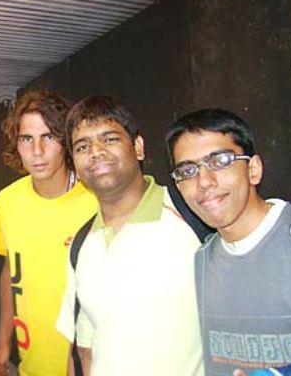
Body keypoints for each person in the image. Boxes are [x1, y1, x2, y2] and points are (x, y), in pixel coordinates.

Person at [165, 108, 291, 375]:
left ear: (253, 169)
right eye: (188, 170)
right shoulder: (201, 260)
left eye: (220, 161)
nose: (204, 182)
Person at [56, 95, 203, 376]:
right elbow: (83, 350)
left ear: (138, 147)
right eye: (82, 146)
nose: (96, 152)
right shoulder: (81, 244)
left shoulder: (192, 214)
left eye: (109, 139)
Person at [0, 91, 97, 376]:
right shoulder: (7, 201)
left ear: (66, 140)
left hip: (90, 364)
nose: (37, 150)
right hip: (33, 363)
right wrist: (3, 343)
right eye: (27, 139)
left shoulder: (97, 200)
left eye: (48, 137)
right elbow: (11, 269)